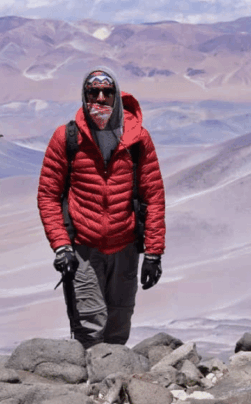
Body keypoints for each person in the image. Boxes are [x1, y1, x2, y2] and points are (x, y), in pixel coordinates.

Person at [36, 68, 166, 348]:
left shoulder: (138, 139)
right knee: (89, 326)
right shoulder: (67, 137)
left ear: (117, 95)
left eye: (107, 92)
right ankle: (90, 389)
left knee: (119, 327)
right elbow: (48, 195)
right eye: (92, 92)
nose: (100, 98)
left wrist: (154, 253)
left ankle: (114, 386)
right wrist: (61, 246)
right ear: (84, 96)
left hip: (126, 247)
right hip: (83, 248)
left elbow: (153, 196)